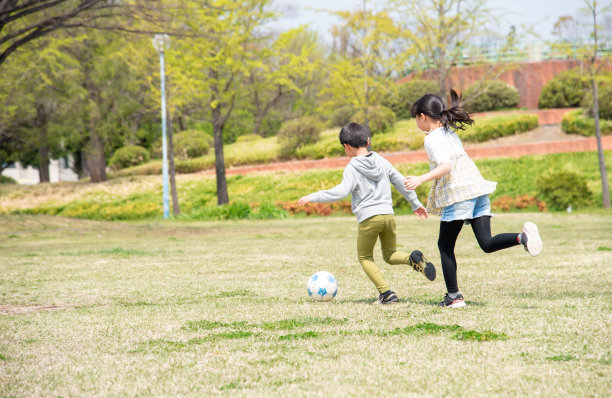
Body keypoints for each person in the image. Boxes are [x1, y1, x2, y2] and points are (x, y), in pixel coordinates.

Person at [404, 89, 543, 308]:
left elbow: (446, 166)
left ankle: (454, 297)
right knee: (486, 243)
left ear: (422, 116)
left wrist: (420, 178)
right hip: (477, 189)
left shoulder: (432, 139)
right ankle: (522, 238)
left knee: (445, 245)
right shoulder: (449, 131)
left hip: (459, 194)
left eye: (415, 118)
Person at [298, 122, 436, 305]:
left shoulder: (352, 167)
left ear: (346, 146)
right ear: (368, 140)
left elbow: (341, 192)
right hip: (388, 216)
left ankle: (386, 294)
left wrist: (313, 196)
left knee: (364, 257)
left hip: (369, 218)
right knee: (390, 254)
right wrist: (415, 204)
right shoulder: (382, 161)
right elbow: (402, 182)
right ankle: (412, 259)